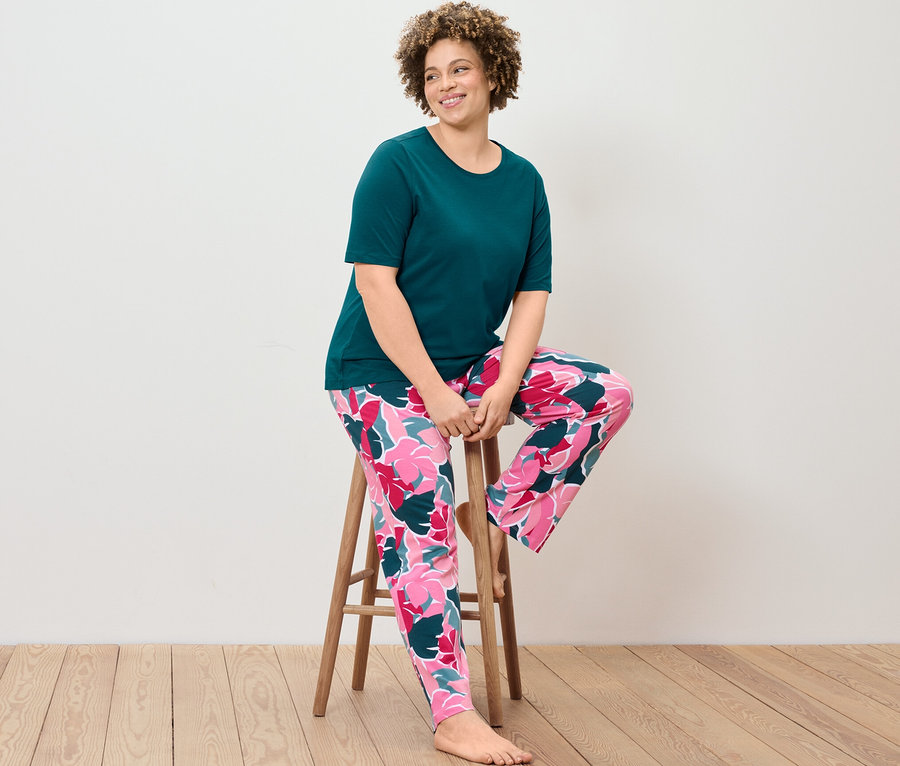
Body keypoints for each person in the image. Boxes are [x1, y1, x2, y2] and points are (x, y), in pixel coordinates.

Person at [324, 3, 633, 763]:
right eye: (431, 75)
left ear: (494, 74)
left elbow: (532, 295)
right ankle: (453, 712)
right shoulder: (395, 163)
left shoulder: (524, 182)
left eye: (460, 67)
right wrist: (435, 395)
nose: (445, 84)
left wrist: (506, 385)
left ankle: (491, 521)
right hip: (378, 374)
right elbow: (376, 286)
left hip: (472, 360)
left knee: (604, 393)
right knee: (422, 506)